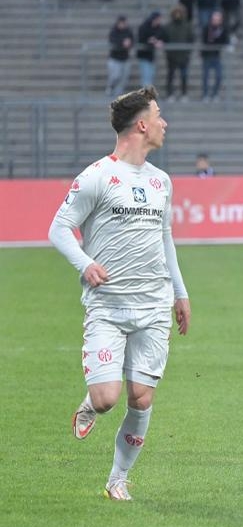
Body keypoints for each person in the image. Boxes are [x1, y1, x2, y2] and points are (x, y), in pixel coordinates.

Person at [48, 86, 191, 502]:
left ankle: (117, 480)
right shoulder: (97, 176)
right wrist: (85, 264)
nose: (165, 123)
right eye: (159, 115)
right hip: (108, 306)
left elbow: (167, 242)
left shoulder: (161, 181)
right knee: (107, 398)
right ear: (142, 124)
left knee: (141, 398)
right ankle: (91, 403)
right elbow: (59, 228)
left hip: (153, 304)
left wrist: (180, 294)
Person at [163, 3, 193, 100]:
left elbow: (191, 39)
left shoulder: (187, 26)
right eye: (176, 13)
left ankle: (184, 94)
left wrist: (187, 52)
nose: (178, 15)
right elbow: (165, 39)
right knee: (170, 76)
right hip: (171, 56)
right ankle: (170, 94)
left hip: (184, 55)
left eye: (179, 13)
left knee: (184, 76)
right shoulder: (168, 26)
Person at [199, 10, 228, 101]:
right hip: (207, 55)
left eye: (218, 19)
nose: (216, 21)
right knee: (206, 76)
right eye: (215, 18)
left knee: (219, 76)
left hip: (216, 55)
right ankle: (205, 94)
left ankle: (215, 93)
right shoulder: (206, 28)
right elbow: (204, 40)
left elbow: (224, 41)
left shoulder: (222, 29)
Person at [136, 11, 166, 87]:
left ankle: (147, 95)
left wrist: (159, 41)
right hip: (143, 54)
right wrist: (151, 41)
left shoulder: (159, 27)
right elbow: (141, 39)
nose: (159, 21)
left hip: (151, 56)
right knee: (146, 76)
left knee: (151, 75)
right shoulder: (144, 26)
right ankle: (146, 96)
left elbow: (162, 36)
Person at [107, 16, 134, 96]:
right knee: (115, 76)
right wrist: (123, 43)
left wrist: (130, 43)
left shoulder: (128, 31)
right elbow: (113, 41)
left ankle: (118, 94)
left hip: (125, 58)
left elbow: (132, 40)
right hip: (115, 58)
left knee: (124, 78)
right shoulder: (113, 31)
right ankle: (111, 87)